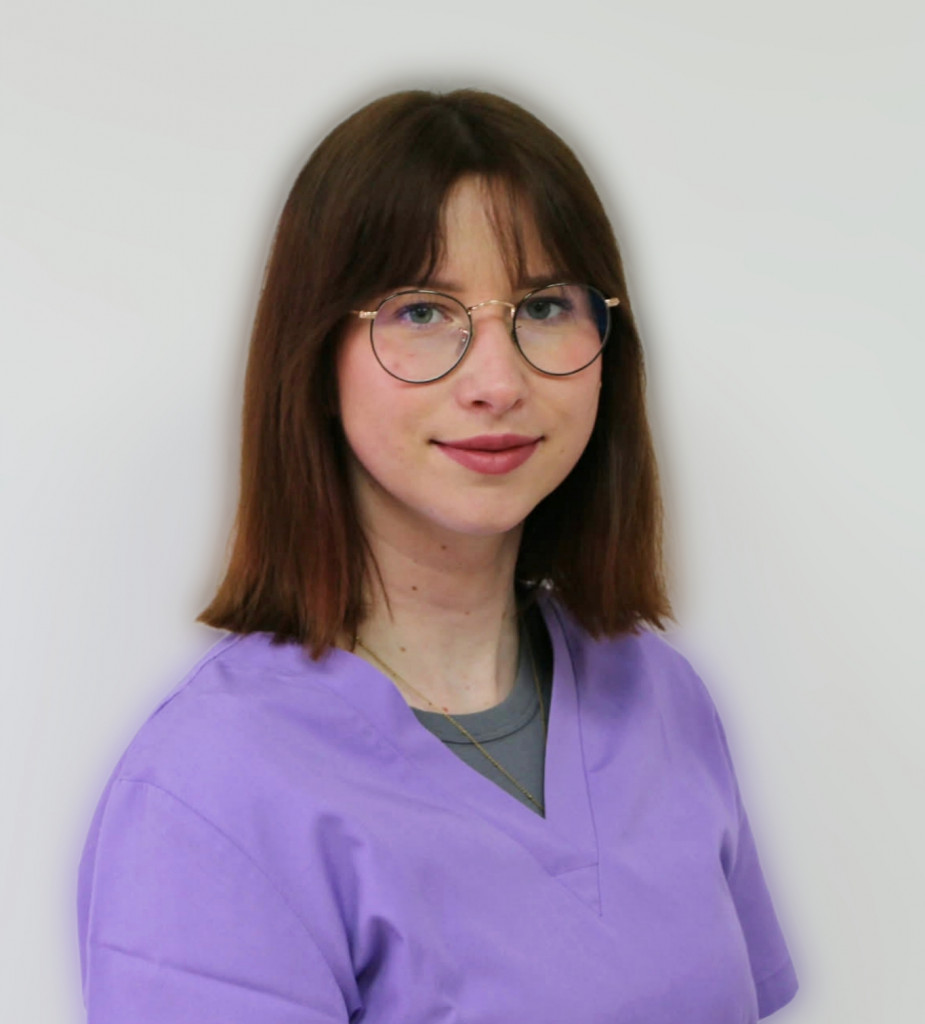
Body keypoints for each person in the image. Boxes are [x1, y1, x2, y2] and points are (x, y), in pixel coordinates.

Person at [77, 89, 799, 1023]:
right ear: (315, 359)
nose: (497, 381)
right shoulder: (209, 790)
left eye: (544, 305)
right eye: (422, 311)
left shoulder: (661, 700)